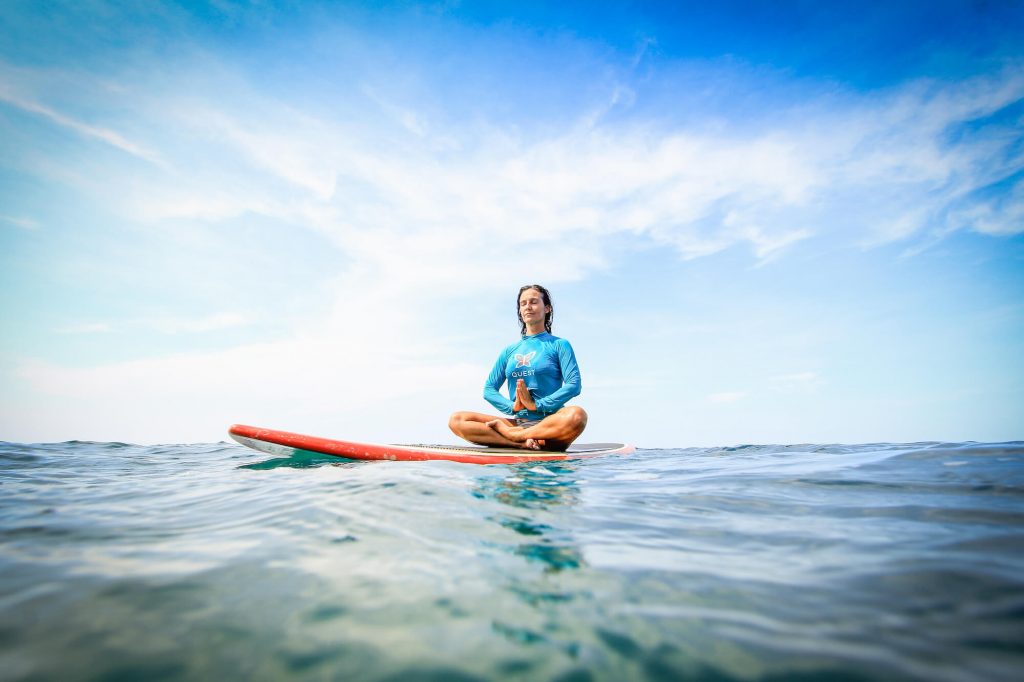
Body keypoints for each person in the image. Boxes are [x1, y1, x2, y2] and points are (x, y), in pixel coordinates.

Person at [448, 284, 588, 451]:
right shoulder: (509, 351)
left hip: (552, 425)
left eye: (534, 302)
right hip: (519, 422)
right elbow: (489, 389)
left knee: (577, 415)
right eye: (523, 303)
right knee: (457, 419)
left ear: (547, 308)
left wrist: (536, 405)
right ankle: (520, 442)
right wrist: (512, 407)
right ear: (520, 311)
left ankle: (515, 435)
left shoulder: (559, 345)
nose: (528, 306)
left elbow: (574, 385)